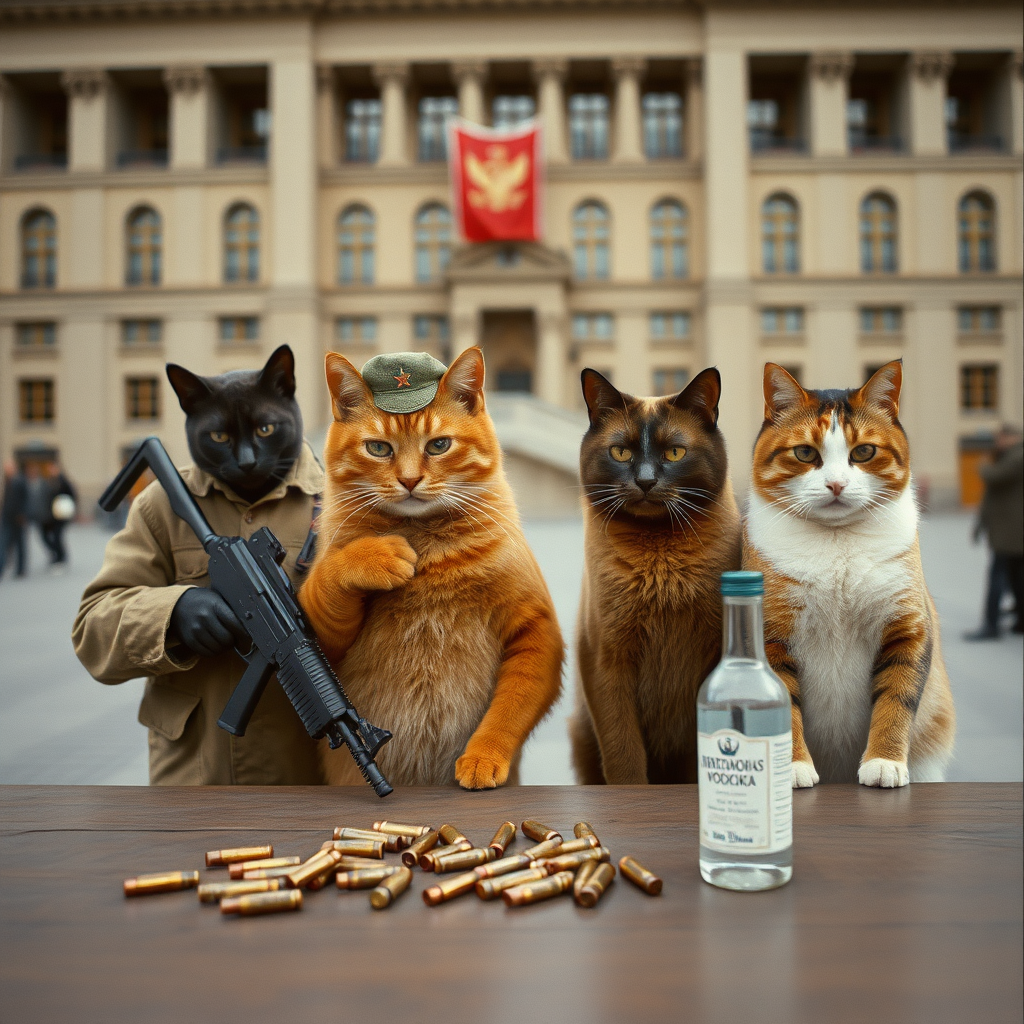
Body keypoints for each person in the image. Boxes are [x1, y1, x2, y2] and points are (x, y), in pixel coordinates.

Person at [965, 425, 1024, 640]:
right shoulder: (1009, 456)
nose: (998, 441)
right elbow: (992, 496)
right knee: (1016, 576)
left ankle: (991, 625)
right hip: (1009, 530)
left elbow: (994, 477)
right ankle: (1020, 620)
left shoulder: (1017, 456)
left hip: (1010, 531)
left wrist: (981, 466)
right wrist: (981, 524)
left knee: (997, 576)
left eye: (1001, 437)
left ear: (1012, 437)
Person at [40, 461, 77, 573]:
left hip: (60, 515)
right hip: (50, 515)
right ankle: (56, 555)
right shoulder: (48, 481)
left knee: (57, 537)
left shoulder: (62, 481)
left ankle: (60, 558)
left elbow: (72, 495)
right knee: (46, 536)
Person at [0, 460, 29, 580]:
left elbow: (26, 499)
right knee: (4, 543)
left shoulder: (20, 481)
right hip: (7, 517)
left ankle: (21, 569)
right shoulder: (7, 481)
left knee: (20, 544)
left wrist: (23, 514)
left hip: (18, 518)